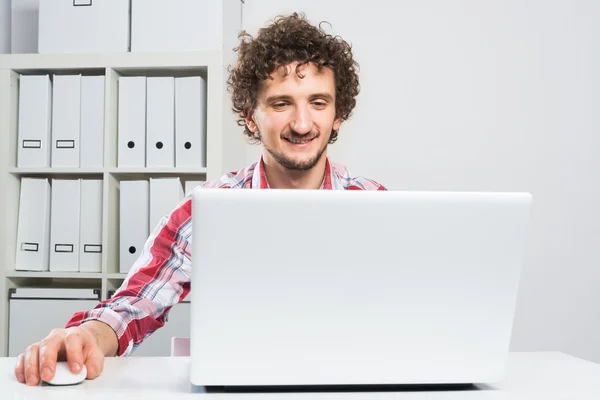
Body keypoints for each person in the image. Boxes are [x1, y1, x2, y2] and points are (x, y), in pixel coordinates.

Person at [14, 12, 386, 386]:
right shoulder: (206, 209)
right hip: (239, 388)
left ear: (339, 115)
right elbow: (136, 304)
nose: (302, 123)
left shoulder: (377, 206)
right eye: (280, 104)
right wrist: (87, 337)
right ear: (251, 117)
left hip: (350, 384)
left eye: (318, 103)